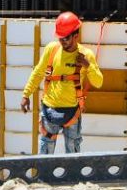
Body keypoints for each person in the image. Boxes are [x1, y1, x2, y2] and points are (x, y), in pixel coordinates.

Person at [21, 11, 103, 154]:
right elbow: (38, 73)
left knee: (72, 152)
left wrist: (87, 65)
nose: (62, 41)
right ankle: (43, 177)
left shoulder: (85, 55)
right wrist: (26, 94)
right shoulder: (52, 49)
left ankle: (73, 177)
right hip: (49, 109)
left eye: (65, 38)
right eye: (60, 38)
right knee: (46, 149)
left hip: (72, 112)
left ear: (75, 35)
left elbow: (98, 82)